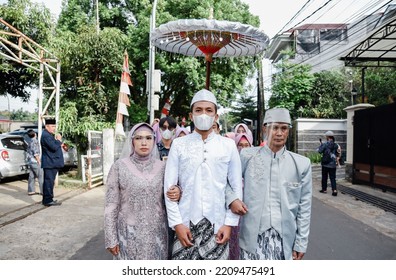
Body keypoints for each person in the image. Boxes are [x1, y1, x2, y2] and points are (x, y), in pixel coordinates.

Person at [164, 89, 243, 260]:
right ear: (191, 115)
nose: (203, 114)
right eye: (198, 110)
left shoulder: (228, 146)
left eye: (209, 110)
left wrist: (229, 224)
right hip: (185, 225)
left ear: (216, 116)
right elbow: (168, 189)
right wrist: (177, 224)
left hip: (217, 226)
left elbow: (236, 188)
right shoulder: (178, 144)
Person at [239, 108, 312, 260]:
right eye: (274, 127)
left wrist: (301, 242)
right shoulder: (247, 156)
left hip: (285, 240)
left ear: (288, 131)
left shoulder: (301, 164)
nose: (279, 133)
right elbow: (229, 183)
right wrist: (232, 200)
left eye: (284, 128)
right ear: (265, 129)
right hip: (252, 238)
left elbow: (304, 207)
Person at [104, 123, 172, 260]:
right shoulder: (119, 167)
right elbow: (111, 205)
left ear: (154, 141)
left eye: (148, 138)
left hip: (157, 234)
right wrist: (111, 238)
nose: (144, 142)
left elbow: (172, 195)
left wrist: (178, 191)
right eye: (139, 138)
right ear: (132, 141)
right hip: (128, 234)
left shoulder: (164, 167)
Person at [228, 132, 254, 260]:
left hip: (250, 216)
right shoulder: (229, 163)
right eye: (240, 145)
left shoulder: (257, 165)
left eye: (246, 145)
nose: (243, 149)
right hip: (232, 215)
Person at [41, 118, 64, 207]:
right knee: (48, 182)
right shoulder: (46, 135)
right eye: (52, 126)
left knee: (50, 182)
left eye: (54, 126)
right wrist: (58, 140)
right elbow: (54, 147)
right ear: (47, 126)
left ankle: (48, 199)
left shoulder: (49, 135)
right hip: (49, 163)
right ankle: (47, 200)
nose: (54, 128)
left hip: (52, 162)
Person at [318, 130, 340, 196]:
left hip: (325, 164)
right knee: (333, 178)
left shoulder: (325, 144)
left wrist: (321, 145)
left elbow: (320, 151)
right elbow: (337, 153)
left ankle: (324, 189)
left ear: (327, 137)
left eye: (326, 136)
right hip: (333, 164)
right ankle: (334, 190)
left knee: (324, 177)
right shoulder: (336, 145)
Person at [26, 129, 43, 195]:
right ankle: (43, 191)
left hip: (30, 161)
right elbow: (35, 153)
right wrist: (39, 161)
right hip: (35, 161)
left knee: (31, 176)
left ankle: (31, 190)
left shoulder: (29, 141)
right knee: (40, 176)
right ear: (35, 134)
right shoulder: (35, 141)